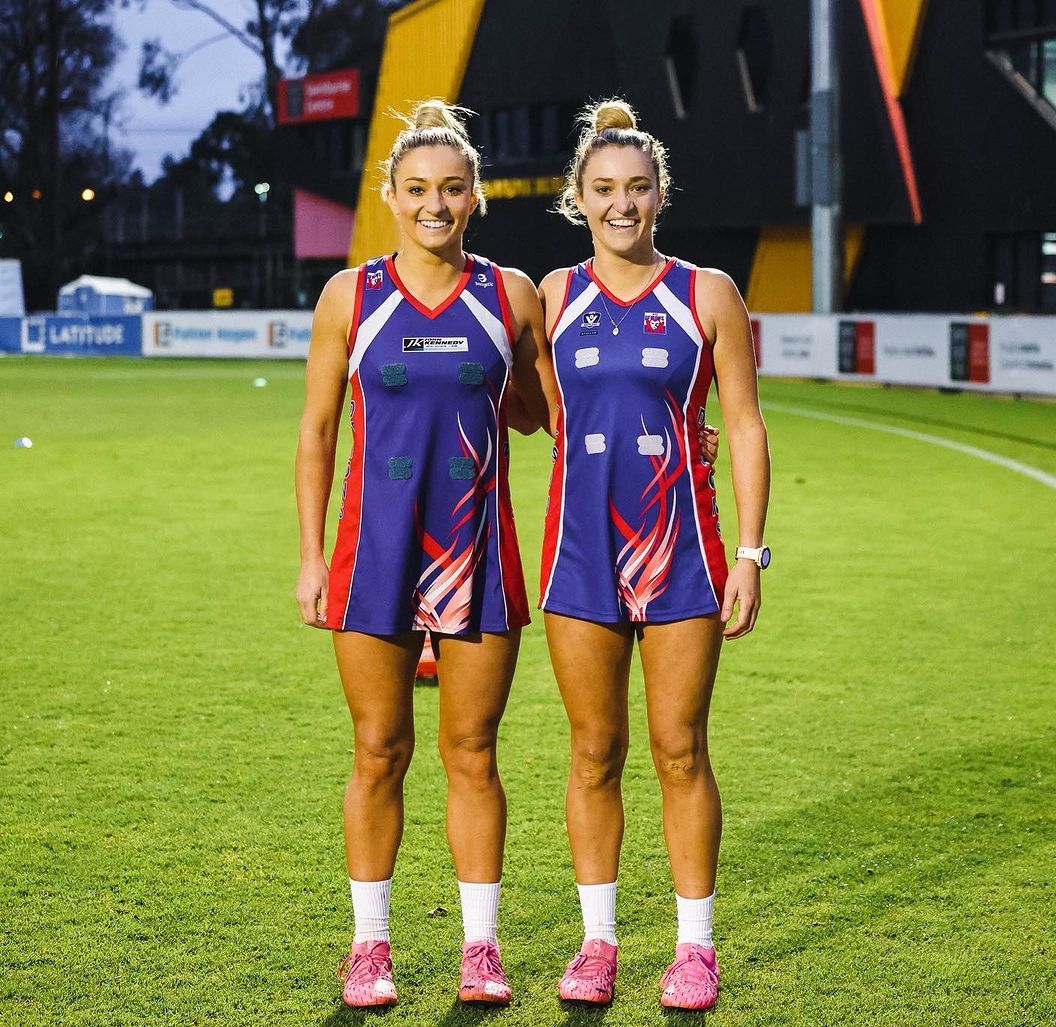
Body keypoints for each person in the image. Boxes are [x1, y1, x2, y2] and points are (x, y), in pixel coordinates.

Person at [294, 99, 550, 1009]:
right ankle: (369, 946)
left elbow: (544, 415)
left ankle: (481, 948)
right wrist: (311, 557)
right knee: (378, 748)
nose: (434, 204)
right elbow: (317, 432)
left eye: (450, 188)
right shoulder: (349, 295)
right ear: (390, 196)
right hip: (374, 553)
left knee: (473, 751)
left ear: (475, 195)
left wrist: (686, 433)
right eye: (416, 189)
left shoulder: (510, 294)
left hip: (479, 550)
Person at [536, 99, 771, 1011]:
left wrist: (749, 553)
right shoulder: (551, 296)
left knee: (680, 749)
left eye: (637, 187)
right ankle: (598, 942)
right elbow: (523, 406)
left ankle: (694, 948)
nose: (621, 204)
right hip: (579, 551)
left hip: (685, 552)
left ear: (659, 193)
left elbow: (744, 426)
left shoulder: (707, 292)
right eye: (604, 189)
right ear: (579, 197)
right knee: (594, 750)